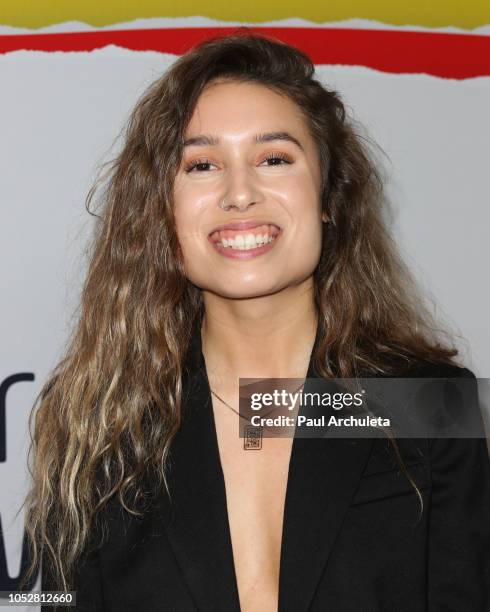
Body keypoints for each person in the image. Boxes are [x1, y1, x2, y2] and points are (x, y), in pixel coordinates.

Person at [20, 31, 490, 611]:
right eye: (201, 164)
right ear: (161, 209)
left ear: (327, 193)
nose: (239, 193)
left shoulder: (428, 403)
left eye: (274, 158)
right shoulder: (102, 422)